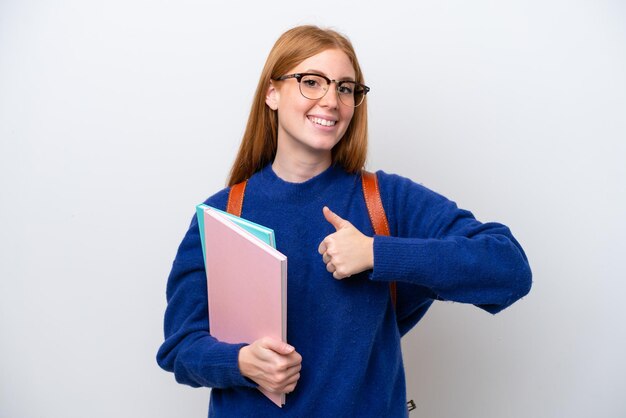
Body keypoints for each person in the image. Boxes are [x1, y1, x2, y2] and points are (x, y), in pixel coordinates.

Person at [156, 25, 532, 417]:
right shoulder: (222, 215)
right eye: (312, 82)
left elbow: (509, 268)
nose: (331, 101)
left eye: (346, 88)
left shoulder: (386, 201)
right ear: (272, 93)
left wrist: (376, 251)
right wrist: (240, 363)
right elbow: (180, 348)